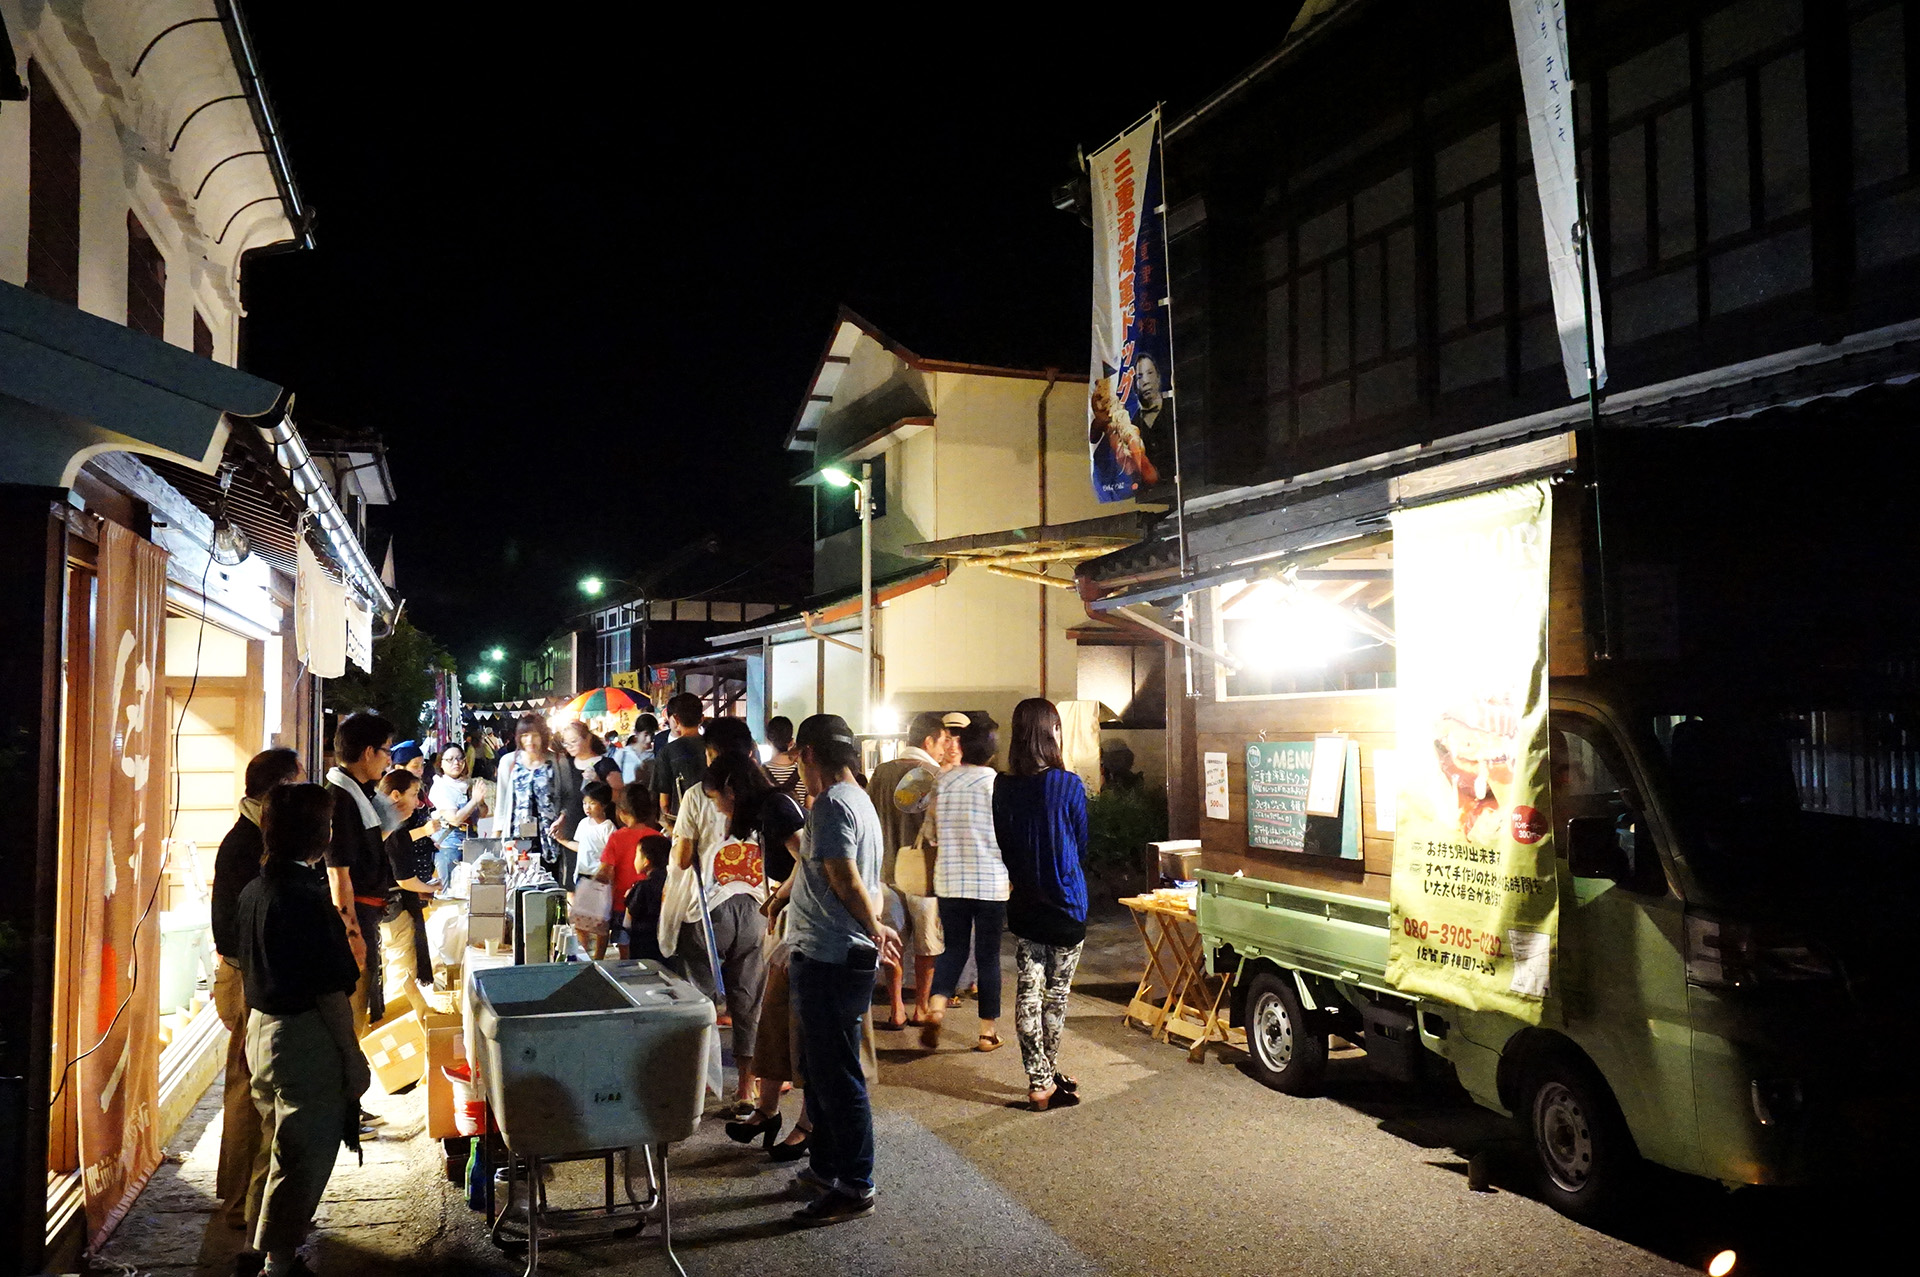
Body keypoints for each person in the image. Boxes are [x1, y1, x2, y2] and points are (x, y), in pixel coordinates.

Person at [235, 782, 368, 1277]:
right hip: (302, 1036)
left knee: (276, 1146)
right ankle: (279, 1260)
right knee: (302, 1154)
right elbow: (330, 991)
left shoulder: (255, 889)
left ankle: (259, 1246)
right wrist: (353, 1057)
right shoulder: (305, 898)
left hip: (261, 1031)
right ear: (317, 835)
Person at [781, 715, 902, 1224]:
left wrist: (874, 924)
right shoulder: (859, 799)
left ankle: (855, 1185)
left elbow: (844, 876)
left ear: (808, 754)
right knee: (823, 1070)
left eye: (797, 758)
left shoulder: (831, 803)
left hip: (832, 954)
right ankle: (827, 1167)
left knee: (837, 1076)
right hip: (834, 952)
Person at [210, 747, 302, 1233]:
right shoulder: (246, 842)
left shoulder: (256, 836)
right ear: (275, 791)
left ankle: (247, 1200)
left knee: (254, 1086)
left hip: (252, 972)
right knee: (249, 1087)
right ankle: (240, 1206)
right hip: (249, 976)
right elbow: (230, 924)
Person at [994, 699, 1091, 1112]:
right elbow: (1082, 844)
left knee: (1028, 994)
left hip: (1025, 904)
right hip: (1067, 905)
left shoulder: (1002, 786)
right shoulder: (1067, 784)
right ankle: (1046, 1076)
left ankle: (1040, 1081)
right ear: (1052, 731)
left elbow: (1002, 842)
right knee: (1057, 995)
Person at [670, 720, 768, 1114]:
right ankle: (747, 1088)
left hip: (708, 910)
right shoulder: (768, 795)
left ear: (712, 754)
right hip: (759, 907)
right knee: (749, 1000)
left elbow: (681, 858)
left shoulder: (697, 794)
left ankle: (699, 1086)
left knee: (700, 1000)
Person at [920, 714, 1008, 1053]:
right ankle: (987, 1033)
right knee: (987, 956)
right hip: (991, 883)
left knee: (953, 948)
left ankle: (937, 1007)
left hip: (950, 881)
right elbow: (1006, 836)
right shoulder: (996, 785)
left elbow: (930, 834)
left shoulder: (943, 782)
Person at [866, 711, 953, 1030]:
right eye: (942, 741)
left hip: (886, 872)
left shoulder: (881, 773)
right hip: (924, 874)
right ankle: (921, 1007)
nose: (944, 748)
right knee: (927, 943)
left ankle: (896, 1008)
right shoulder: (936, 775)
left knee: (893, 941)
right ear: (928, 741)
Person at [323, 711, 396, 1034]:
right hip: (356, 913)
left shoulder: (357, 791)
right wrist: (351, 932)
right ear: (369, 752)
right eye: (387, 751)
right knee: (353, 1006)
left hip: (367, 909)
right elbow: (338, 873)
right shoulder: (340, 798)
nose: (389, 761)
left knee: (363, 1000)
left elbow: (363, 850)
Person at [377, 769, 441, 1016]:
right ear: (395, 795)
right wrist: (431, 888)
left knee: (388, 968)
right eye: (414, 795)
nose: (418, 802)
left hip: (378, 910)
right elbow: (404, 879)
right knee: (401, 973)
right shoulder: (392, 827)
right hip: (392, 909)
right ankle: (397, 1030)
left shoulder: (376, 821)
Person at [552, 721, 624, 883]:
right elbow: (563, 797)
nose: (569, 746)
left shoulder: (605, 764)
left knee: (600, 881)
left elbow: (620, 796)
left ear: (588, 739)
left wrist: (598, 781)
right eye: (566, 742)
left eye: (574, 741)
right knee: (571, 882)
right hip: (572, 829)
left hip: (599, 832)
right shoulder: (565, 765)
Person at [558, 780, 617, 957]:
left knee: (599, 922)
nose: (587, 807)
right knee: (579, 921)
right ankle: (583, 952)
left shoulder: (608, 828)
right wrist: (562, 840)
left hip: (599, 879)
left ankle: (598, 956)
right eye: (585, 803)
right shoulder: (583, 824)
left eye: (592, 803)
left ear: (604, 804)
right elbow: (581, 846)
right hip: (582, 876)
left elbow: (611, 856)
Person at [495, 713, 561, 872]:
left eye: (535, 735)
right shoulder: (509, 761)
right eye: (525, 736)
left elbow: (565, 795)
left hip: (549, 835)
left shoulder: (556, 761)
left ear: (543, 736)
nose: (530, 741)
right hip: (517, 835)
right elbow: (501, 801)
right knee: (518, 879)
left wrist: (563, 819)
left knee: (548, 881)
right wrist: (496, 836)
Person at [605, 788, 661, 958]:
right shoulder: (657, 837)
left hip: (622, 904)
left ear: (621, 812)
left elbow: (607, 871)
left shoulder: (616, 837)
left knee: (625, 951)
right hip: (653, 905)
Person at [427, 744, 485, 889]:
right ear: (440, 763)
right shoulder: (440, 787)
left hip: (470, 845)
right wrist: (474, 801)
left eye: (460, 759)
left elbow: (482, 813)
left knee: (470, 890)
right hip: (448, 848)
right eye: (450, 759)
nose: (456, 763)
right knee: (450, 893)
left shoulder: (467, 784)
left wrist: (481, 802)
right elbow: (454, 819)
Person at [651, 693, 707, 831]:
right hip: (713, 822)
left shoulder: (667, 752)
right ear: (701, 718)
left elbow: (664, 803)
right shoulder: (714, 747)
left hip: (683, 823)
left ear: (675, 719)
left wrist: (672, 831)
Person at [623, 834, 673, 963]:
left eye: (637, 855)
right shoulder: (672, 884)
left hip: (643, 946)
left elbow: (627, 922)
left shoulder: (643, 887)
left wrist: (630, 896)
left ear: (646, 861)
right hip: (668, 946)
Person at [765, 715, 809, 805]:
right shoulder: (803, 772)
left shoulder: (759, 773)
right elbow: (809, 808)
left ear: (767, 740)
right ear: (791, 742)